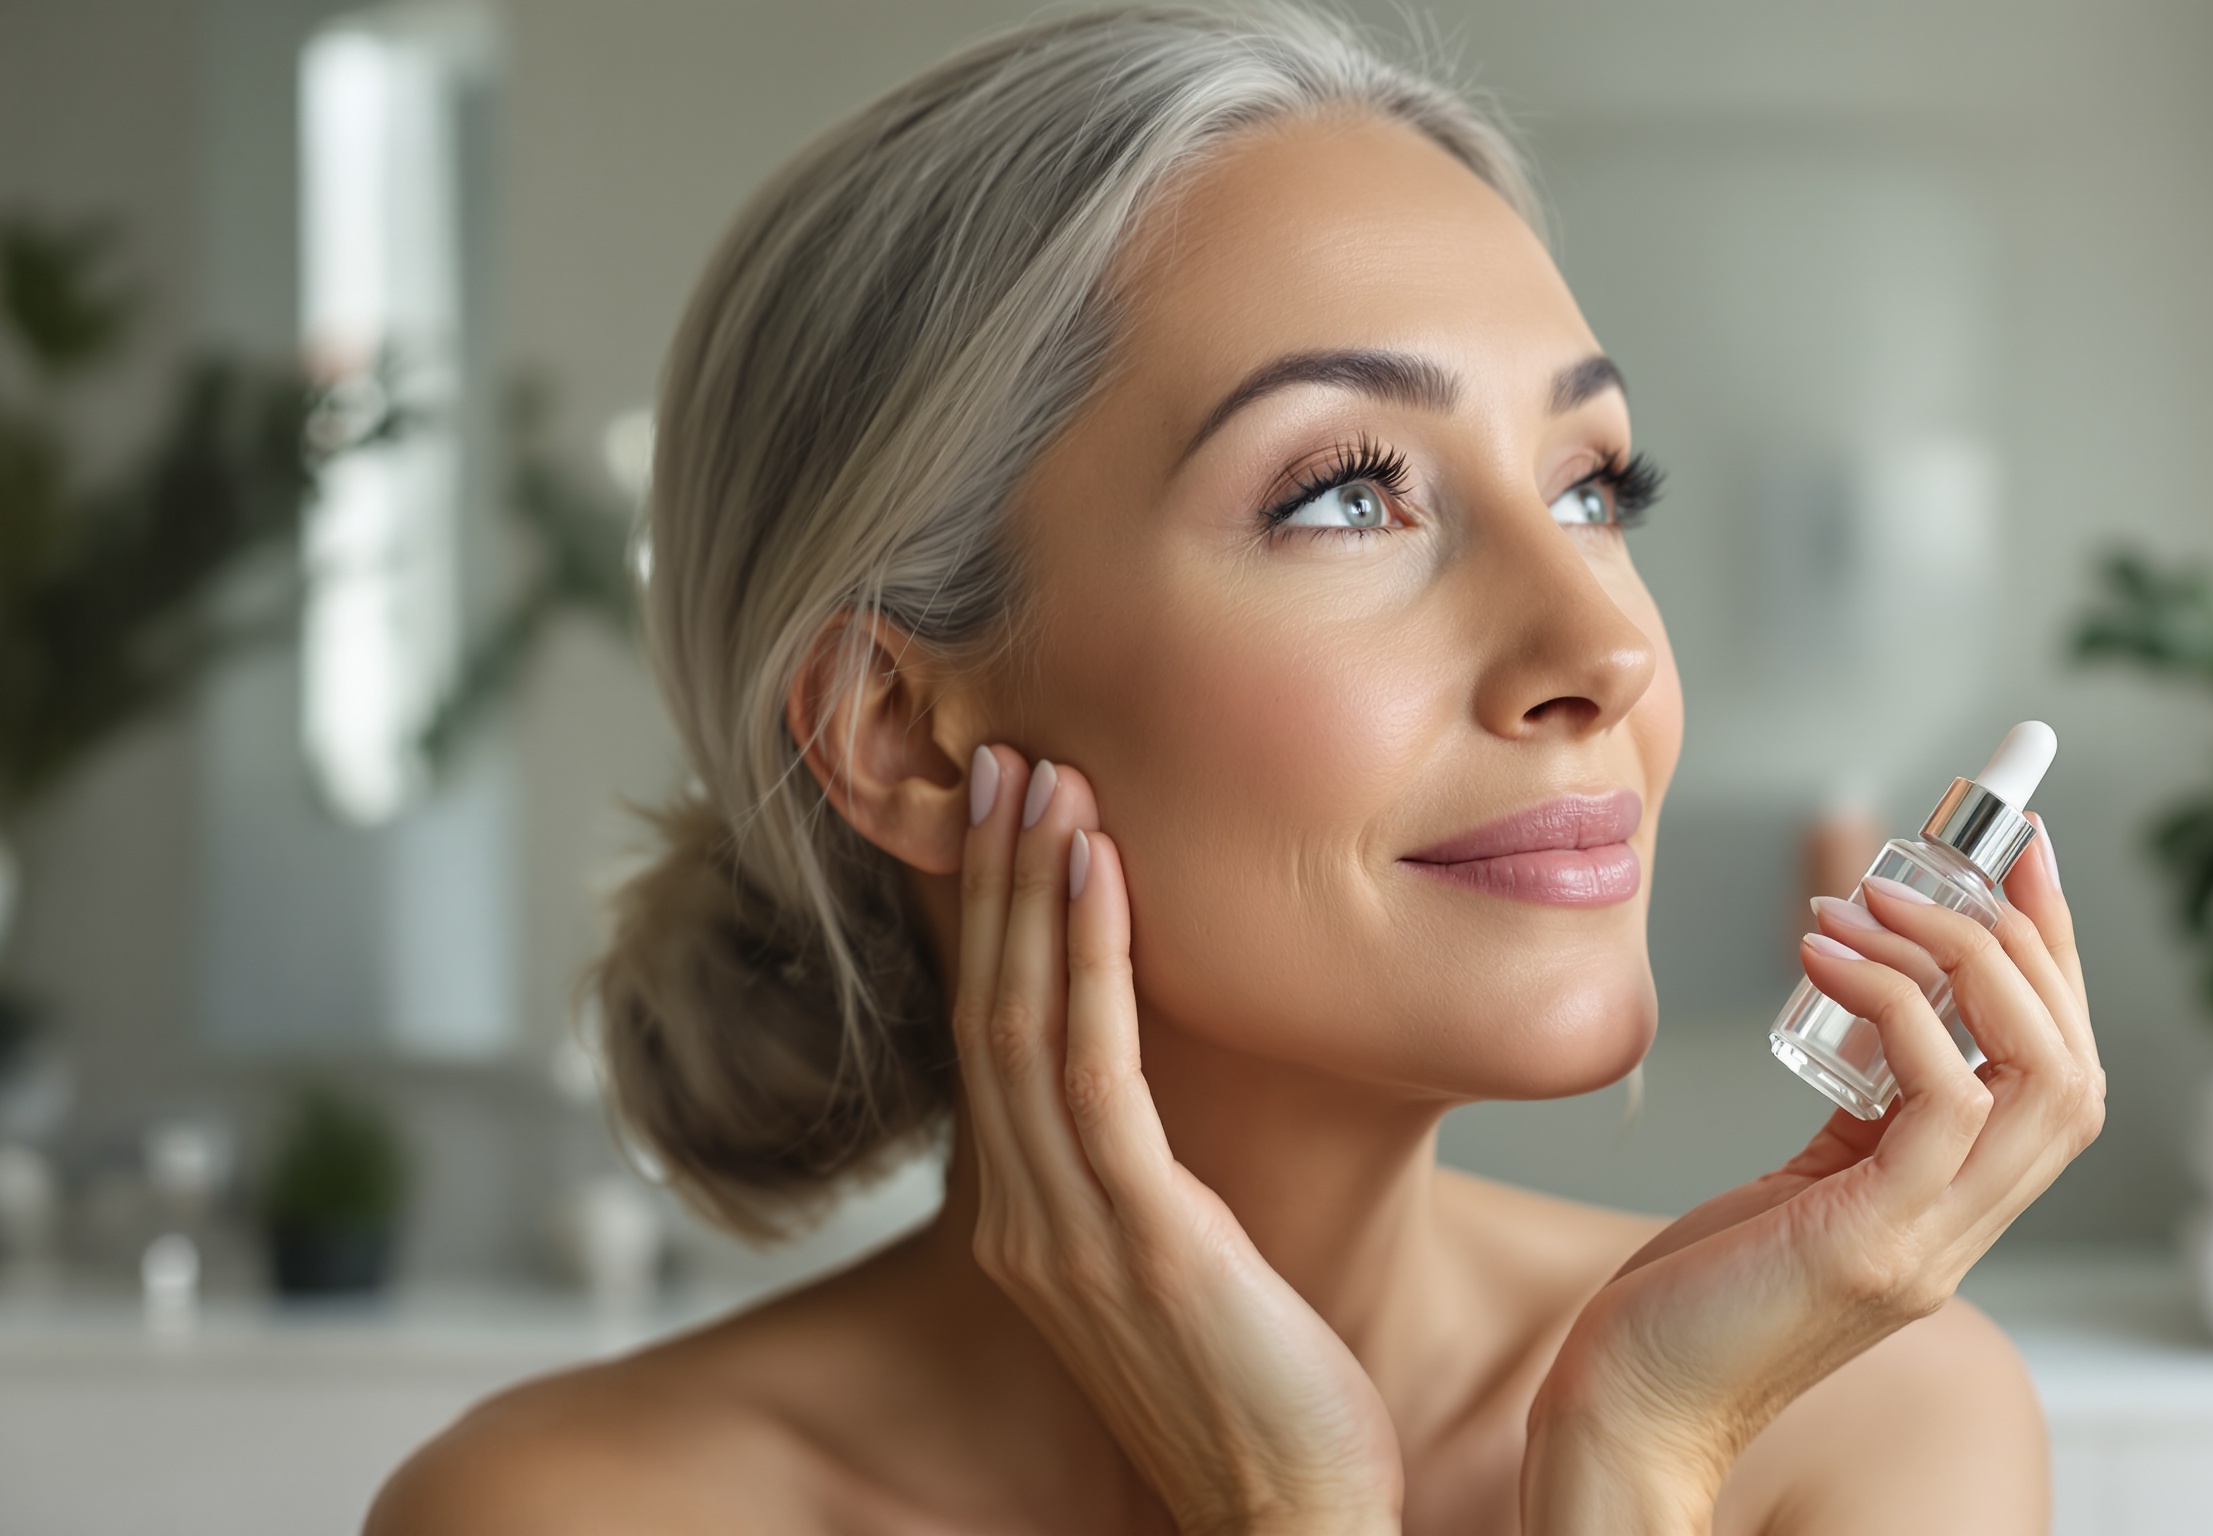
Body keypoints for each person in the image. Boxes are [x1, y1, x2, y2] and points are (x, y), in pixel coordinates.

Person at [369, 8, 2103, 1533]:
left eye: (1594, 487)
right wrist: (1283, 1508)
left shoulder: (1858, 1432)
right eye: (1349, 495)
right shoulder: (575, 1518)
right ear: (902, 730)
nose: (1608, 652)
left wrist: (1642, 1448)